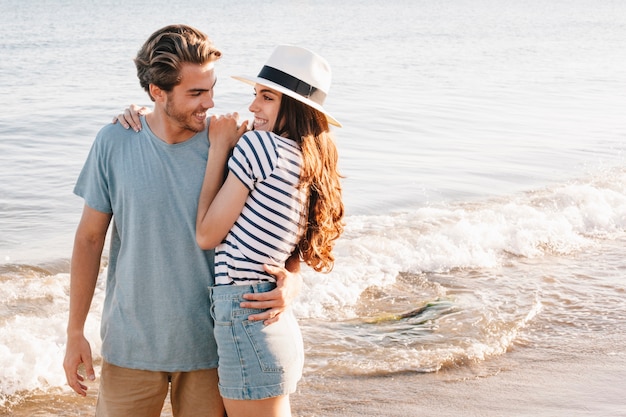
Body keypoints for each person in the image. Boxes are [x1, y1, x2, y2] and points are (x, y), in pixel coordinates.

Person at [63, 25, 301, 417]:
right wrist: (75, 333)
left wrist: (293, 278)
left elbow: (288, 222)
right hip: (131, 347)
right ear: (158, 92)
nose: (209, 103)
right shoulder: (115, 141)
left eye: (211, 89)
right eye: (195, 93)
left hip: (213, 349)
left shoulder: (234, 144)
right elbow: (89, 240)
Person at [196, 45, 345, 417]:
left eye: (267, 97)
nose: (253, 107)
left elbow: (206, 235)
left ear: (294, 107)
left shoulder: (260, 146)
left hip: (247, 319)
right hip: (270, 325)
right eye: (255, 95)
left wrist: (219, 148)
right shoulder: (306, 159)